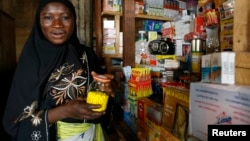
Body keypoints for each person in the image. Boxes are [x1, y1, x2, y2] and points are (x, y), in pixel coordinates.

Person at [2, 0, 115, 140]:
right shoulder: (31, 63)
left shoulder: (87, 55)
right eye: (48, 17)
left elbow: (101, 104)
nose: (57, 24)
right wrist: (64, 111)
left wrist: (105, 91)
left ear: (74, 20)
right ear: (39, 22)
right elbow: (16, 124)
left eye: (65, 17)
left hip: (92, 135)